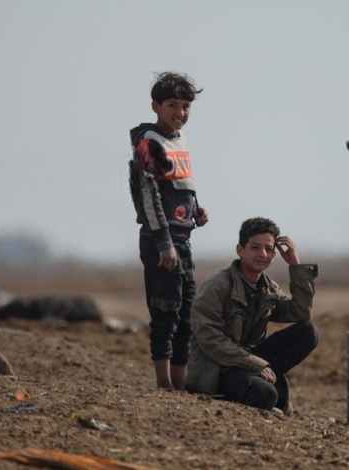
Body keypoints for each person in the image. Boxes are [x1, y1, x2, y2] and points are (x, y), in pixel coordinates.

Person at [184, 217, 319, 414]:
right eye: (255, 247)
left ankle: (260, 381)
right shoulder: (217, 287)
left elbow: (301, 312)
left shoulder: (267, 289)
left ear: (274, 255)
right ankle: (254, 387)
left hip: (246, 363)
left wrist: (296, 266)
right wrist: (255, 364)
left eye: (268, 249)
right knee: (267, 396)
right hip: (217, 369)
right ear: (240, 250)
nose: (262, 254)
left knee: (308, 332)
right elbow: (210, 340)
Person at [128, 72, 209, 390]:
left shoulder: (179, 139)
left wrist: (196, 210)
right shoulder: (148, 143)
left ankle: (180, 384)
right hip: (161, 242)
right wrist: (163, 242)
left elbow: (180, 184)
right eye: (173, 105)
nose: (180, 112)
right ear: (155, 106)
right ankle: (164, 384)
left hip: (182, 240)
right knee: (165, 312)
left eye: (186, 106)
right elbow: (147, 195)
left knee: (186, 314)